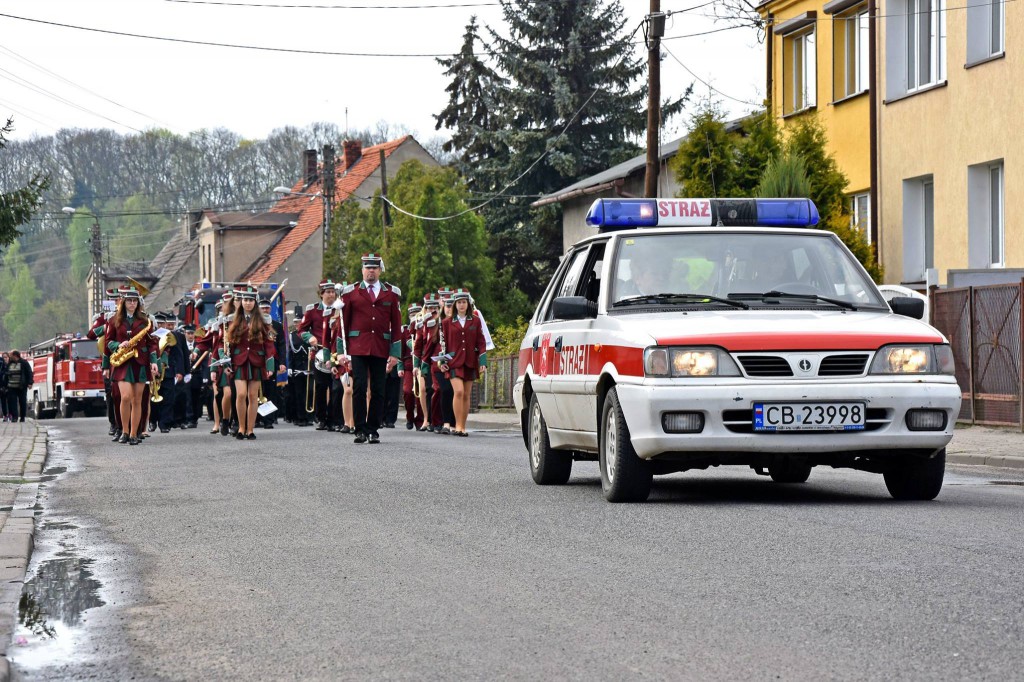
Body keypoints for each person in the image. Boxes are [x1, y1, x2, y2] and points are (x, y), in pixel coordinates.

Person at [340, 253, 402, 444]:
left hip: (380, 346)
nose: (371, 271)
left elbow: (397, 325)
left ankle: (373, 429)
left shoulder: (391, 293)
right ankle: (359, 428)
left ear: (380, 270)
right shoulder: (350, 293)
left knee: (378, 389)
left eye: (374, 268)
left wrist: (395, 354)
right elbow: (343, 324)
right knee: (358, 387)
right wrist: (342, 352)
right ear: (362, 270)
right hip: (357, 347)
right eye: (368, 268)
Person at [105, 286, 158, 445]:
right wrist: (118, 345)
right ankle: (125, 431)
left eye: (135, 301)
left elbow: (152, 343)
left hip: (140, 361)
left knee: (137, 400)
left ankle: (134, 433)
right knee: (126, 396)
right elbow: (107, 342)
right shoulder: (114, 320)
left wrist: (154, 361)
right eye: (129, 301)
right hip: (122, 362)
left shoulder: (144, 321)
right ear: (123, 302)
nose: (132, 304)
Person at [224, 285, 276, 440]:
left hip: (257, 361)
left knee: (253, 396)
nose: (247, 303)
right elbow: (228, 344)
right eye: (245, 300)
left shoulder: (264, 320)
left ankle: (250, 429)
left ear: (255, 302)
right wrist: (227, 363)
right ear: (241, 302)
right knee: (241, 394)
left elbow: (269, 344)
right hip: (239, 361)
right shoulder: (232, 319)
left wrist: (270, 364)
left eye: (250, 300)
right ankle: (241, 427)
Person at [439, 289, 487, 437]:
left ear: (468, 304)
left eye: (464, 302)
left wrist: (482, 361)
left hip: (470, 361)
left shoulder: (475, 320)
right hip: (453, 361)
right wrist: (442, 362)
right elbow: (442, 343)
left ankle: (462, 426)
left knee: (466, 395)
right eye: (459, 302)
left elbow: (481, 341)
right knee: (458, 391)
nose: (461, 305)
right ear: (454, 304)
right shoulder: (446, 322)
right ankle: (456, 424)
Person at [297, 280, 342, 431]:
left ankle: (334, 418)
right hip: (319, 353)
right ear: (321, 294)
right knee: (321, 387)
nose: (331, 294)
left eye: (333, 292)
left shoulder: (340, 309)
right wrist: (309, 337)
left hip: (336, 353)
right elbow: (301, 330)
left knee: (336, 388)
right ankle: (321, 417)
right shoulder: (313, 310)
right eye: (328, 292)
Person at [4, 350, 33, 422]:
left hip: (21, 386)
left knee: (22, 402)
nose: (10, 356)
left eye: (11, 355)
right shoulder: (10, 364)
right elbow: (6, 372)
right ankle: (15, 417)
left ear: (15, 356)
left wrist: (30, 383)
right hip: (11, 386)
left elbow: (29, 372)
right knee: (12, 402)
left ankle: (22, 417)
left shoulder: (24, 363)